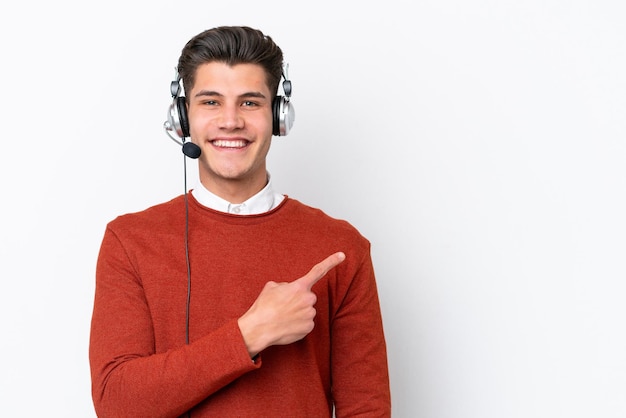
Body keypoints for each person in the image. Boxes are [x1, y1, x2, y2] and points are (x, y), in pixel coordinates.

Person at [89, 25, 391, 417]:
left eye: (250, 103)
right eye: (211, 102)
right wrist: (251, 332)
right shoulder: (130, 241)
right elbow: (117, 404)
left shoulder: (340, 247)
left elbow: (366, 409)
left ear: (279, 116)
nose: (230, 121)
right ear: (183, 118)